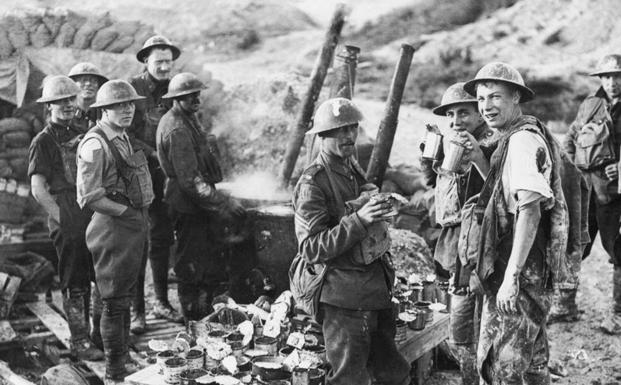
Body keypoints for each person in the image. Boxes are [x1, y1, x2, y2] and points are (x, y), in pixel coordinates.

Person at [463, 62, 570, 384]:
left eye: (495, 97)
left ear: (516, 98)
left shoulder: (521, 141)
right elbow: (505, 195)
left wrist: (512, 276)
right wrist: (481, 162)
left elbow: (529, 210)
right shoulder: (515, 136)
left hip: (520, 260)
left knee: (501, 366)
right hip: (527, 260)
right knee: (533, 356)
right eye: (481, 99)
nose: (486, 107)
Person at [292, 97, 410, 385]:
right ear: (321, 136)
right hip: (343, 297)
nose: (348, 136)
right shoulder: (312, 184)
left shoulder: (349, 164)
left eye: (352, 128)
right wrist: (360, 220)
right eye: (339, 130)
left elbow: (360, 194)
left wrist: (378, 200)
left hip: (373, 284)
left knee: (392, 371)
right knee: (349, 378)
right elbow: (311, 248)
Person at [420, 82, 496, 385]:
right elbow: (437, 188)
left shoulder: (491, 144)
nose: (455, 121)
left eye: (463, 113)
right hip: (454, 245)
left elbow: (498, 190)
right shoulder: (455, 144)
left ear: (480, 113)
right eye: (450, 115)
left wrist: (476, 157)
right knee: (462, 328)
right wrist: (430, 160)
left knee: (474, 327)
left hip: (479, 247)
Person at [76, 80, 152, 384]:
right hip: (113, 229)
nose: (127, 110)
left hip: (129, 227)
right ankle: (115, 372)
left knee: (123, 298)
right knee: (114, 301)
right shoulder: (95, 143)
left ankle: (121, 361)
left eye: (130, 104)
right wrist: (127, 214)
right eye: (119, 105)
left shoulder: (122, 137)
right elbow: (90, 197)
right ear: (103, 109)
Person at [156, 72, 244, 322]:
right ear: (176, 98)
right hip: (187, 204)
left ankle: (204, 315)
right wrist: (225, 201)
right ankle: (193, 322)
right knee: (190, 265)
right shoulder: (176, 129)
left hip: (198, 203)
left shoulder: (189, 119)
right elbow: (190, 181)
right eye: (189, 96)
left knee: (206, 263)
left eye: (197, 95)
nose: (196, 100)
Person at [28, 75, 104, 361]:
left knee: (99, 273)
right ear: (49, 106)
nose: (67, 105)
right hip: (65, 208)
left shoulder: (84, 131)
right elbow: (38, 189)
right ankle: (80, 340)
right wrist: (63, 219)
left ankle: (98, 334)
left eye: (71, 99)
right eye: (60, 101)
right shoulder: (42, 141)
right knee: (75, 278)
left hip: (90, 206)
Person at [562, 54, 621, 333]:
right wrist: (573, 170)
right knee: (575, 245)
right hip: (586, 190)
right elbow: (572, 137)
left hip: (615, 193)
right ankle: (565, 305)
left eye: (617, 76)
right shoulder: (590, 104)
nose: (612, 82)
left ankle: (618, 315)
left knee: (619, 251)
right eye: (607, 77)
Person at [128, 35, 183, 332]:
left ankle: (161, 302)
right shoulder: (132, 90)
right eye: (158, 61)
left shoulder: (174, 89)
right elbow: (123, 133)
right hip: (137, 174)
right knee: (139, 241)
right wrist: (153, 153)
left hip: (165, 177)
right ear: (146, 61)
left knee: (162, 239)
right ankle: (138, 312)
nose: (163, 67)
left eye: (168, 62)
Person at [68, 62, 108, 133]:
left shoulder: (106, 114)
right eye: (83, 80)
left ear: (99, 86)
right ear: (73, 85)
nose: (88, 84)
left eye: (94, 81)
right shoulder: (67, 112)